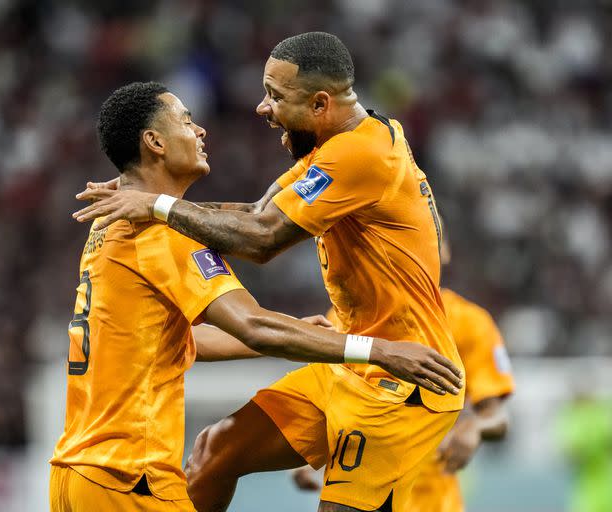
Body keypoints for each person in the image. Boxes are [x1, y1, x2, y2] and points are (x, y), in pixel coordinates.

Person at [72, 32, 466, 512]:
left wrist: (155, 203)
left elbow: (260, 238)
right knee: (216, 451)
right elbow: (257, 211)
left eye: (276, 96)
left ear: (320, 104)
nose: (262, 108)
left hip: (402, 375)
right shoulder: (334, 149)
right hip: (352, 362)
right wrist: (149, 198)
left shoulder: (359, 153)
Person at [293, 236, 515, 512]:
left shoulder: (468, 321)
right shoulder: (345, 317)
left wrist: (475, 428)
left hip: (430, 502)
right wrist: (309, 457)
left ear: (442, 251)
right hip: (353, 491)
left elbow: (497, 416)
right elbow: (328, 399)